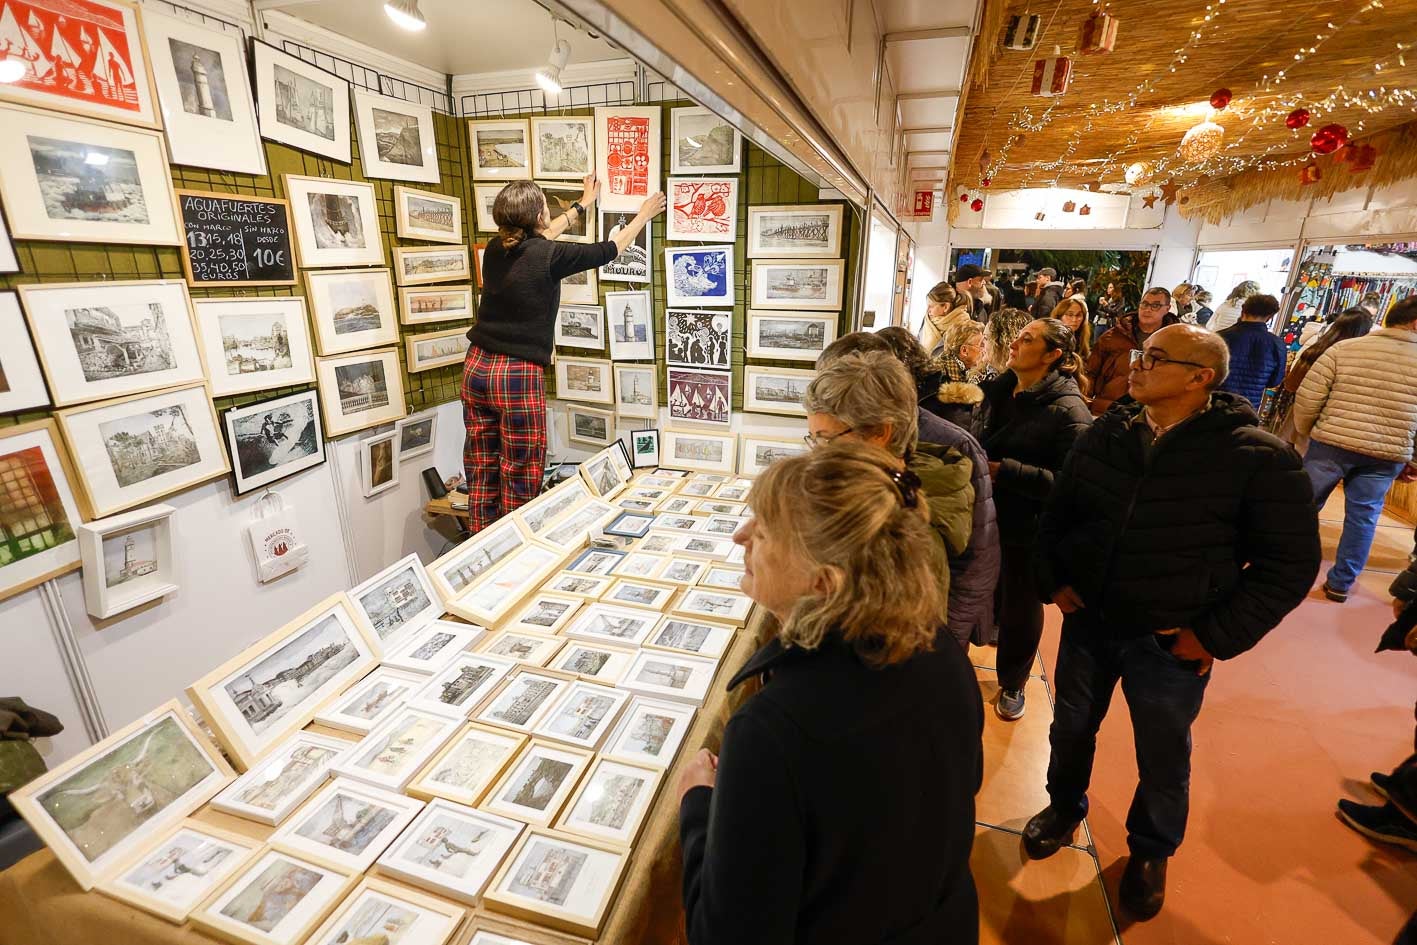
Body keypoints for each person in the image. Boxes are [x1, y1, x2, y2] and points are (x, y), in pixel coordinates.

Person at [1027, 324, 1321, 920]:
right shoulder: (1109, 431)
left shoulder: (1256, 456)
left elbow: (1288, 564)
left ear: (1200, 377)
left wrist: (1214, 634)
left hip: (1169, 636)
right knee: (1071, 726)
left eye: (1154, 358)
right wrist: (1052, 578)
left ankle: (1151, 850)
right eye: (1141, 353)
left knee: (1162, 751)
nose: (1136, 365)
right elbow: (1058, 512)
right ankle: (1063, 805)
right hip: (1091, 620)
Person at [678, 442, 984, 945]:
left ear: (823, 584)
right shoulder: (941, 651)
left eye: (765, 531)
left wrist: (695, 807)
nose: (740, 537)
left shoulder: (771, 734)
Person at [462, 178, 664, 531]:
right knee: (520, 468)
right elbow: (613, 247)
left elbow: (543, 235)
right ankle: (516, 551)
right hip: (515, 373)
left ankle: (481, 546)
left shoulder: (496, 247)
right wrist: (643, 215)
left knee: (481, 464)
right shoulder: (548, 256)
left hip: (477, 366)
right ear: (539, 213)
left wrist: (582, 205)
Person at [805, 350, 995, 651]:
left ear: (880, 432)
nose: (817, 453)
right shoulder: (894, 491)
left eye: (826, 439)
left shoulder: (901, 531)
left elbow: (885, 658)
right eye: (812, 439)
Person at [972, 319, 1092, 720]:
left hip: (1027, 525)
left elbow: (1071, 483)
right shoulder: (999, 390)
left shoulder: (1069, 409)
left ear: (1053, 355)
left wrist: (1003, 470)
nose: (1016, 344)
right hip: (984, 513)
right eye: (1018, 337)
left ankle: (1013, 683)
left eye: (1028, 340)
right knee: (980, 590)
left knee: (1021, 605)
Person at [1294, 296, 1417, 602]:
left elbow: (1309, 397)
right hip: (1388, 452)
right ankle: (1340, 583)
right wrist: (1413, 457)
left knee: (1302, 507)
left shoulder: (1345, 349)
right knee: (1364, 516)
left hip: (1331, 443)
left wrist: (1309, 430)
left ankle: (1282, 570)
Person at [1266, 308, 1373, 445]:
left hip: (1297, 416)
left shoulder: (1315, 348)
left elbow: (1291, 384)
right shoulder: (1357, 360)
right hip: (1328, 427)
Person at [1085, 286, 1180, 415]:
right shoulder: (1113, 336)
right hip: (1106, 408)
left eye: (1155, 305)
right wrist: (1085, 401)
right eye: (1144, 304)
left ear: (1167, 309)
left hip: (1148, 412)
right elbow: (1090, 372)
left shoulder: (1174, 342)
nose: (1147, 309)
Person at [1216, 293, 1287, 409]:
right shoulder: (1276, 344)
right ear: (1270, 316)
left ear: (1243, 310)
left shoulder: (1220, 337)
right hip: (1248, 407)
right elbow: (1274, 381)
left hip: (1216, 403)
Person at [933, 321, 987, 429]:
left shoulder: (967, 370)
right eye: (981, 345)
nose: (985, 350)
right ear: (964, 350)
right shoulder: (942, 375)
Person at [918, 282, 975, 357]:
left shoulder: (963, 327)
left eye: (931, 306)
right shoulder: (927, 320)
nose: (928, 310)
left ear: (945, 307)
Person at [977, 306, 1032, 383]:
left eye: (986, 338)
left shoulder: (1022, 386)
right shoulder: (982, 374)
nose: (980, 344)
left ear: (1005, 343)